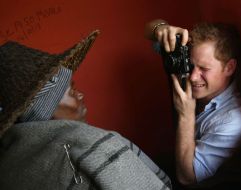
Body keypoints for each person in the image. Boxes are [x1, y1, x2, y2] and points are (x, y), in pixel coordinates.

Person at [0, 30, 172, 190]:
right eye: (71, 91)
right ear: (45, 108)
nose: (81, 95)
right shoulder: (97, 147)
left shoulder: (9, 164)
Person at [145, 19, 241, 188]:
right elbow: (149, 29)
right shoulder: (187, 70)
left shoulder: (233, 121)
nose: (193, 76)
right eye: (192, 65)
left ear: (229, 67)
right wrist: (162, 29)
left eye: (204, 69)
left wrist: (185, 115)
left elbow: (187, 178)